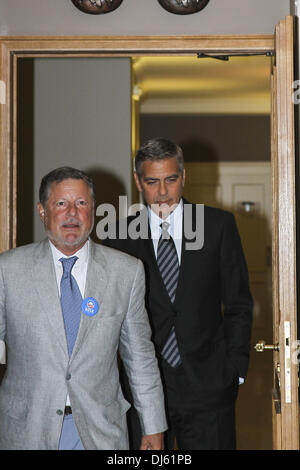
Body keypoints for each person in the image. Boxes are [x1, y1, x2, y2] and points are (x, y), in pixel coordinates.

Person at [0, 166, 167, 450]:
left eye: (81, 203)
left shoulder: (126, 272)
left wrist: (153, 426)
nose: (72, 213)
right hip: (26, 431)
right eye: (61, 204)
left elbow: (140, 357)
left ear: (93, 210)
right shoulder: (8, 270)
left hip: (100, 431)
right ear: (43, 212)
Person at [102, 138, 253, 450]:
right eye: (152, 181)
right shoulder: (118, 238)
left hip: (209, 387)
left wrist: (234, 370)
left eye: (171, 180)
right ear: (137, 181)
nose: (162, 192)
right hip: (143, 390)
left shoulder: (217, 226)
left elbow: (238, 303)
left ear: (183, 177)